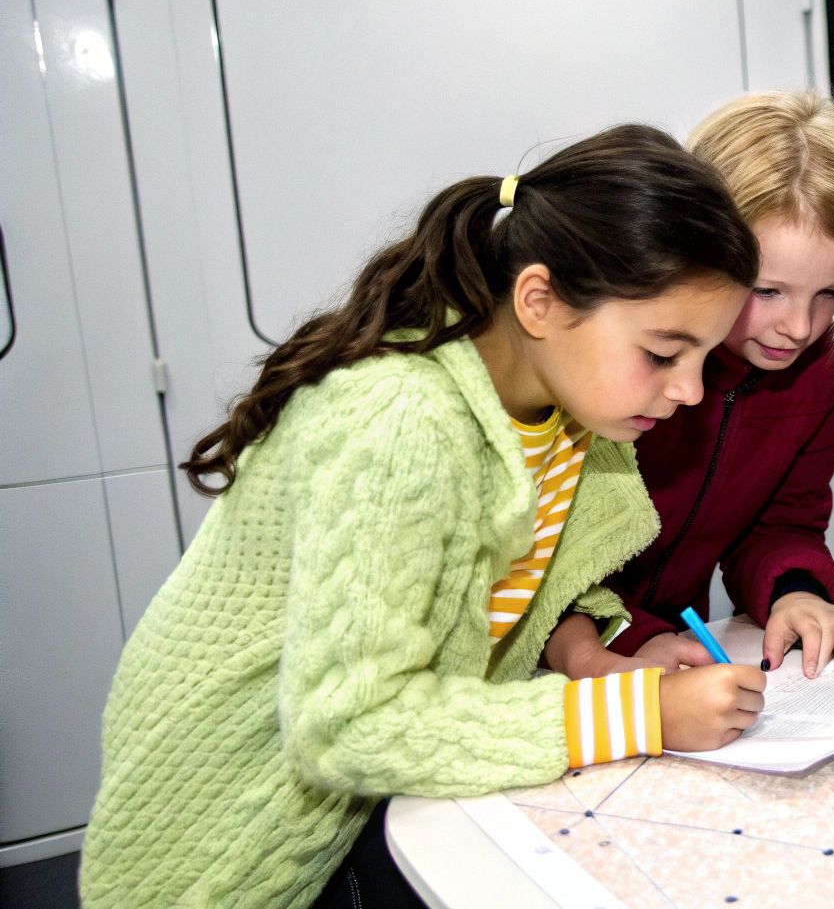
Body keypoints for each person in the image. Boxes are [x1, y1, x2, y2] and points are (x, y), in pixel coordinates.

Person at [81, 125, 769, 908]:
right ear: (539, 302)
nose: (687, 391)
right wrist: (633, 714)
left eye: (704, 360)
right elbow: (349, 724)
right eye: (662, 353)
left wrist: (594, 659)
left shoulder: (576, 418)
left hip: (377, 806)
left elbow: (519, 591)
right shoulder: (398, 419)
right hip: (231, 833)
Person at [543, 92, 834, 682]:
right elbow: (547, 558)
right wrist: (632, 638)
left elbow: (783, 521)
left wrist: (794, 591)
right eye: (766, 291)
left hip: (677, 648)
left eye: (831, 293)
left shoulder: (822, 370)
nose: (800, 328)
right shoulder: (618, 364)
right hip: (561, 656)